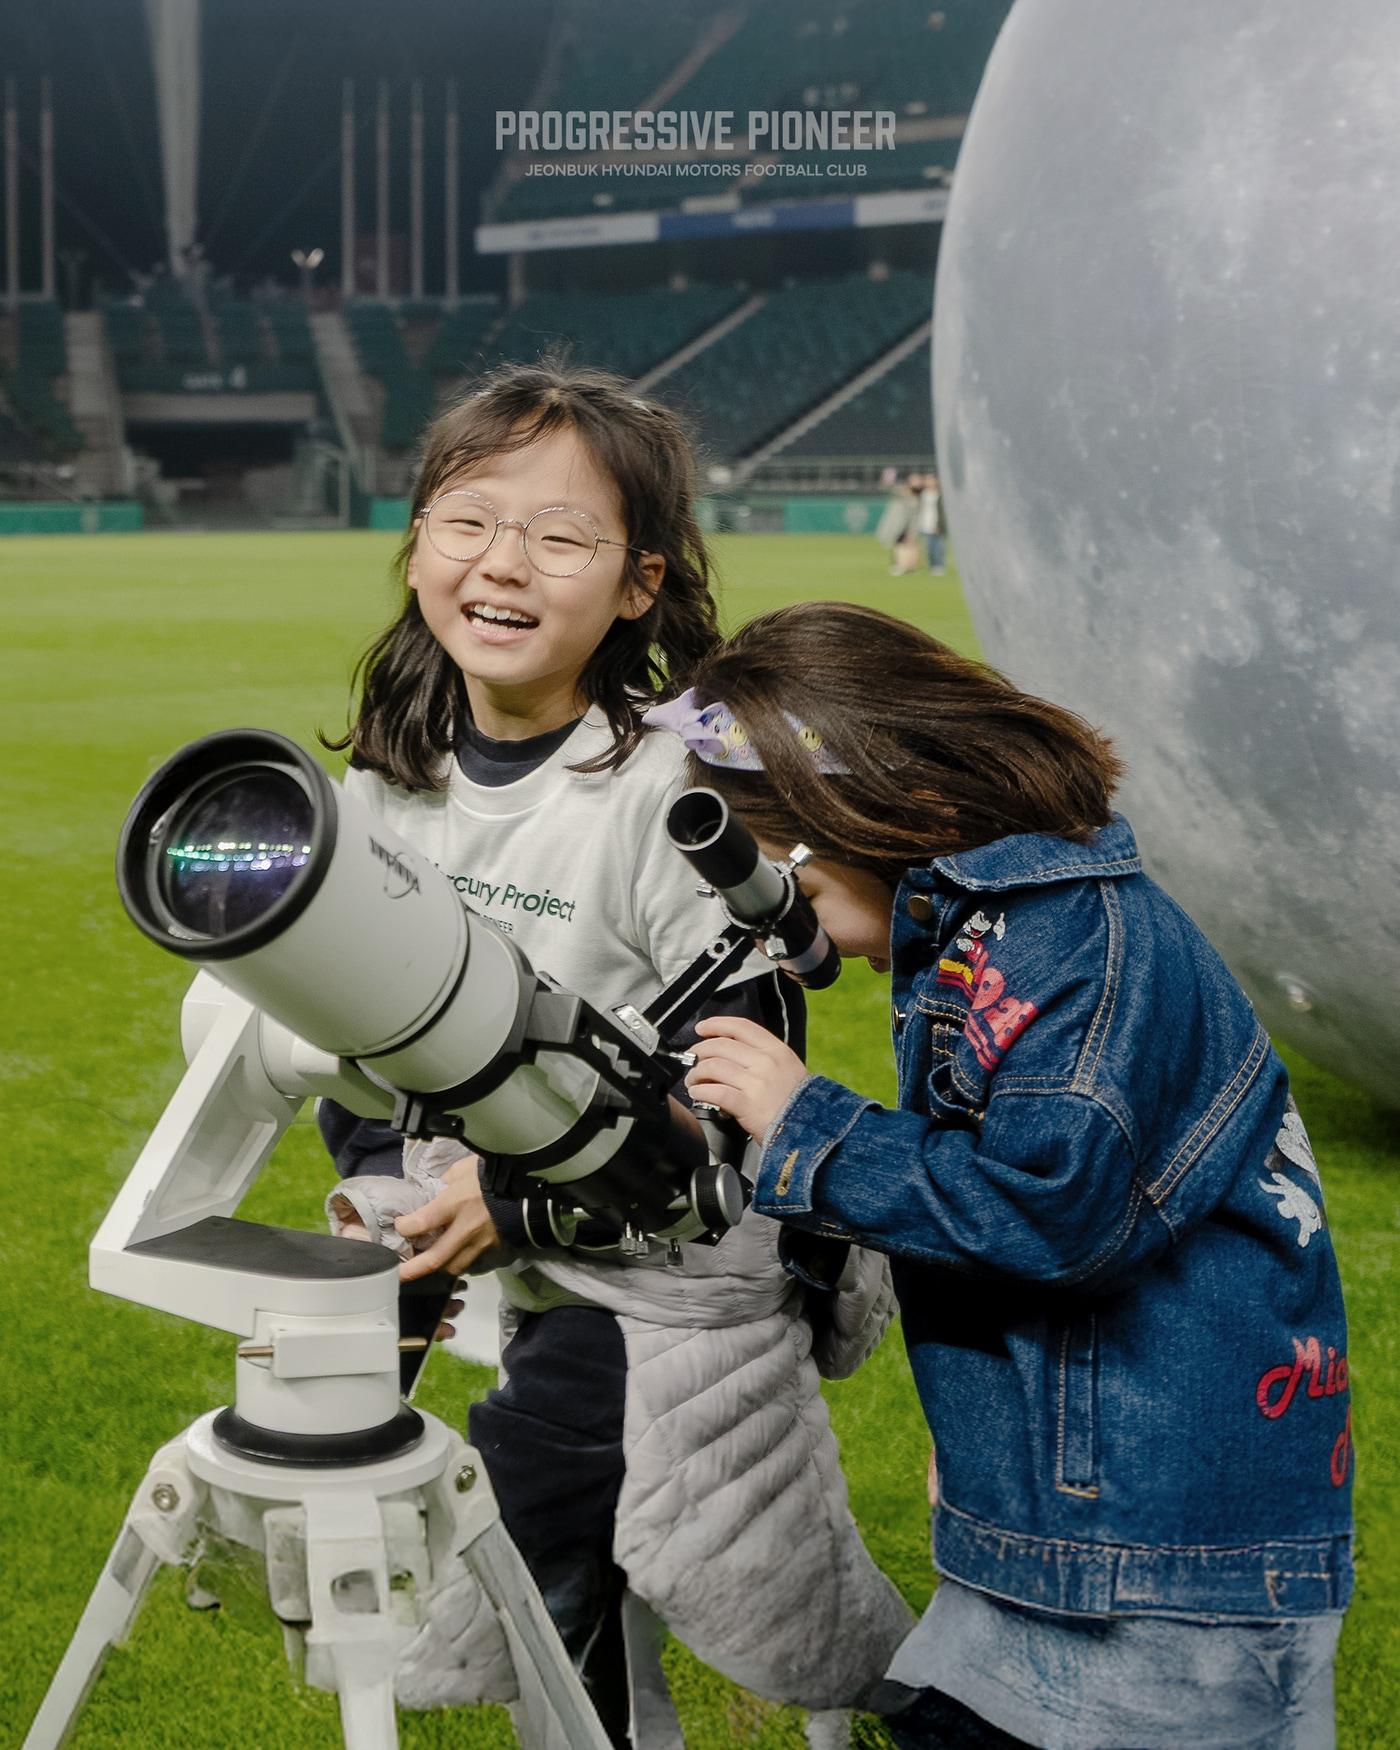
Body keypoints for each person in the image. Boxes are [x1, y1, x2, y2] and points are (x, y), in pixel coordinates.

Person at [318, 366, 912, 1744]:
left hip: (678, 1247)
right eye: (468, 521)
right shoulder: (389, 781)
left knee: (571, 1510)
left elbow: (739, 1088)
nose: (501, 563)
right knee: (468, 1492)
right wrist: (389, 1192)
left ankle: (902, 1695)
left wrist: (511, 1201)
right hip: (506, 1218)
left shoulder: (670, 785)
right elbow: (352, 1039)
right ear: (416, 543)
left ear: (640, 583)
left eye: (558, 535)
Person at [648, 600, 1353, 1750]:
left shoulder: (1075, 943)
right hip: (1073, 1520)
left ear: (862, 815)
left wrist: (805, 1122)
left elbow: (1047, 1209)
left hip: (1160, 1559)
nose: (786, 931)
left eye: (794, 892)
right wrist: (996, 1437)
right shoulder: (998, 931)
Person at [916, 469, 945, 575]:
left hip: (936, 523)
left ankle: (939, 565)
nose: (928, 482)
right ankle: (932, 565)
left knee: (938, 546)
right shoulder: (923, 493)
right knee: (929, 547)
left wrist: (940, 525)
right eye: (927, 480)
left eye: (931, 480)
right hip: (925, 523)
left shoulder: (940, 494)